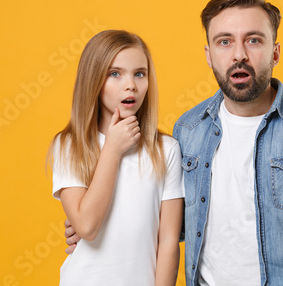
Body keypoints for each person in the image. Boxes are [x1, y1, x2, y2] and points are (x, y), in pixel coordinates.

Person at [66, 0, 283, 285]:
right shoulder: (189, 130)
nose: (239, 54)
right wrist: (98, 227)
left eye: (253, 40)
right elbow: (168, 222)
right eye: (224, 42)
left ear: (275, 52)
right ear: (209, 56)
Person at [48, 30, 184, 286]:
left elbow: (168, 242)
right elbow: (87, 226)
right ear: (93, 81)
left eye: (139, 73)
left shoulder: (167, 150)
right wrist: (112, 149)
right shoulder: (69, 145)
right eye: (115, 74)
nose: (130, 84)